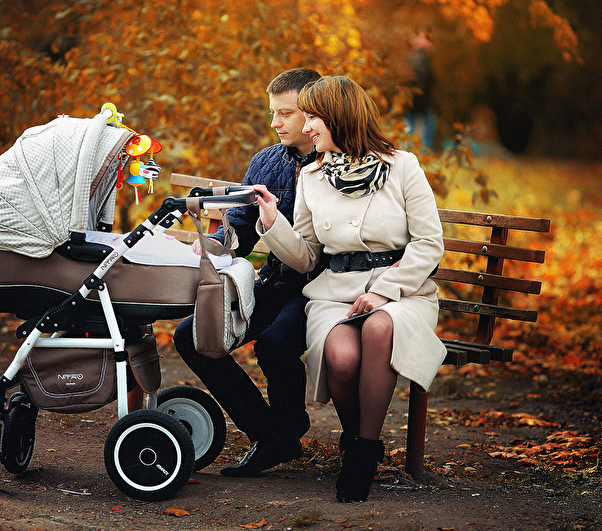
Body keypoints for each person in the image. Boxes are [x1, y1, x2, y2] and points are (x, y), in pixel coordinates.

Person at [254, 76, 446, 502]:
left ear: (339, 117)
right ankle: (357, 435)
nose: (306, 128)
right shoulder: (312, 176)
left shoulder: (402, 166)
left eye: (313, 118)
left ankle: (362, 453)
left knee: (379, 327)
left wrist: (385, 290)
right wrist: (272, 222)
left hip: (404, 292)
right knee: (341, 358)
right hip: (335, 292)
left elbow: (429, 243)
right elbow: (307, 256)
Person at [173, 67, 322, 477]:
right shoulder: (266, 162)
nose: (275, 123)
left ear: (314, 113)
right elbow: (238, 229)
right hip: (273, 282)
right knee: (191, 336)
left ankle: (284, 431)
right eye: (272, 112)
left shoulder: (335, 165)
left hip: (320, 290)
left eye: (285, 114)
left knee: (274, 344)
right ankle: (272, 434)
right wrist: (207, 245)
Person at [404, 30, 437, 150]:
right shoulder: (420, 60)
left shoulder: (417, 59)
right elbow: (420, 84)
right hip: (419, 107)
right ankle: (422, 154)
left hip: (416, 106)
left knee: (411, 132)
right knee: (421, 133)